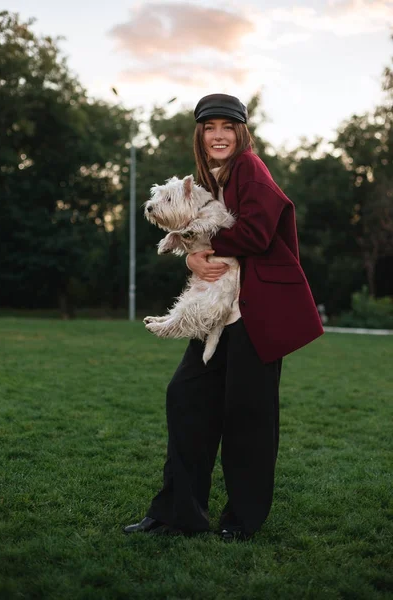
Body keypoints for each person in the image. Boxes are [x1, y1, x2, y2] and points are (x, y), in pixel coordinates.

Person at [123, 94, 324, 541]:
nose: (218, 135)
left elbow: (255, 231)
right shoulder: (208, 180)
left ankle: (242, 521)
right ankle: (178, 513)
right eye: (209, 127)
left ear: (241, 133)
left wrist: (201, 249)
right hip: (219, 313)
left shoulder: (250, 168)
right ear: (200, 134)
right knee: (185, 398)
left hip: (257, 314)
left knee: (248, 418)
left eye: (227, 127)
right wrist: (192, 259)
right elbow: (206, 232)